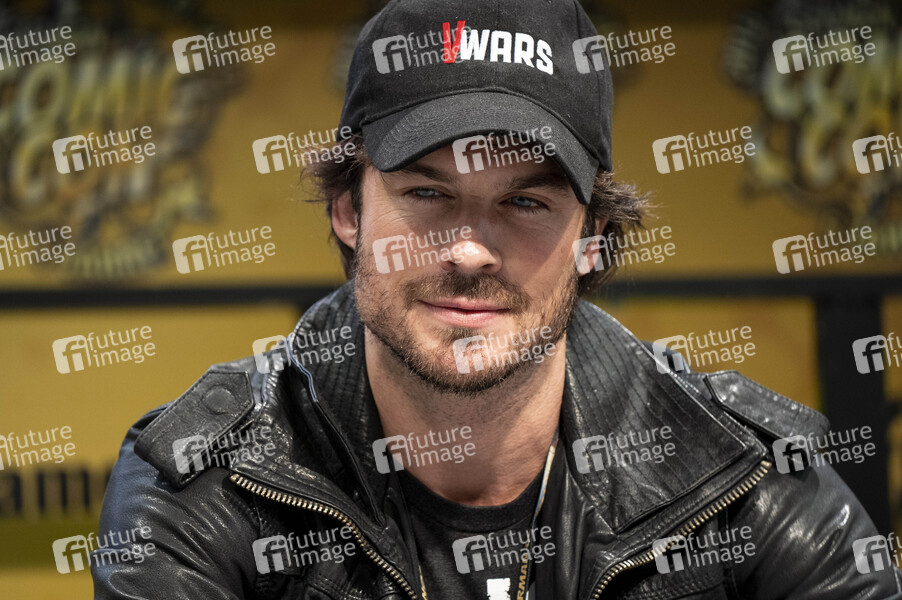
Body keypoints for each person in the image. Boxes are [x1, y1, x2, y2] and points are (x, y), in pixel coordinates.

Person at [93, 0, 902, 598]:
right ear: (348, 211)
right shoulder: (210, 483)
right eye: (427, 193)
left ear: (593, 238)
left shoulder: (744, 482)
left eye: (525, 202)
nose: (471, 250)